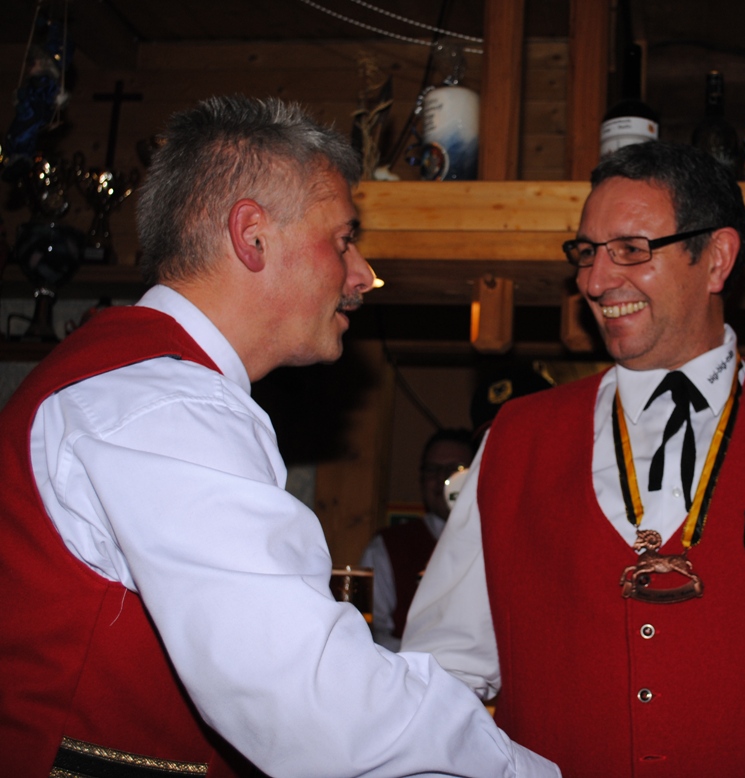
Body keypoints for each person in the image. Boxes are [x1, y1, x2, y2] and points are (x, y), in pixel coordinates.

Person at [0, 96, 558, 778]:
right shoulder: (164, 405)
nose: (362, 274)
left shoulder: (134, 383)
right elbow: (315, 704)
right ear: (253, 236)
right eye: (343, 239)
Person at [403, 141, 745, 776]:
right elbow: (443, 674)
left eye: (631, 249)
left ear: (716, 259)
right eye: (587, 252)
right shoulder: (515, 438)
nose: (595, 281)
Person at [361, 428, 474, 650]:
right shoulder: (387, 547)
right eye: (433, 469)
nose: (442, 478)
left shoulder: (496, 546)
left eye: (455, 469)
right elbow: (371, 633)